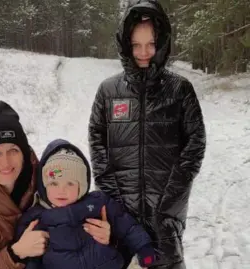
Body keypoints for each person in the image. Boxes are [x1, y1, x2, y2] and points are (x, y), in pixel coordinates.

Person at [88, 1, 206, 268]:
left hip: (164, 220)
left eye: (151, 44)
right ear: (125, 44)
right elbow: (97, 143)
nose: (143, 53)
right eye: (136, 45)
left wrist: (169, 203)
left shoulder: (179, 90)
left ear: (162, 42)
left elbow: (195, 144)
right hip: (120, 223)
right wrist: (113, 203)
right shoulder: (108, 91)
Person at [0, 101, 112, 269]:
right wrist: (15, 254)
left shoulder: (48, 183)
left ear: (24, 152)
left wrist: (104, 236)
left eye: (13, 150)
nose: (5, 162)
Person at [15, 138, 156, 269]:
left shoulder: (97, 202)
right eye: (54, 183)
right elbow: (31, 259)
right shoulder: (37, 217)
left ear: (81, 186)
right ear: (44, 185)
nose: (61, 190)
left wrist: (144, 247)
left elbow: (126, 225)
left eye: (70, 183)